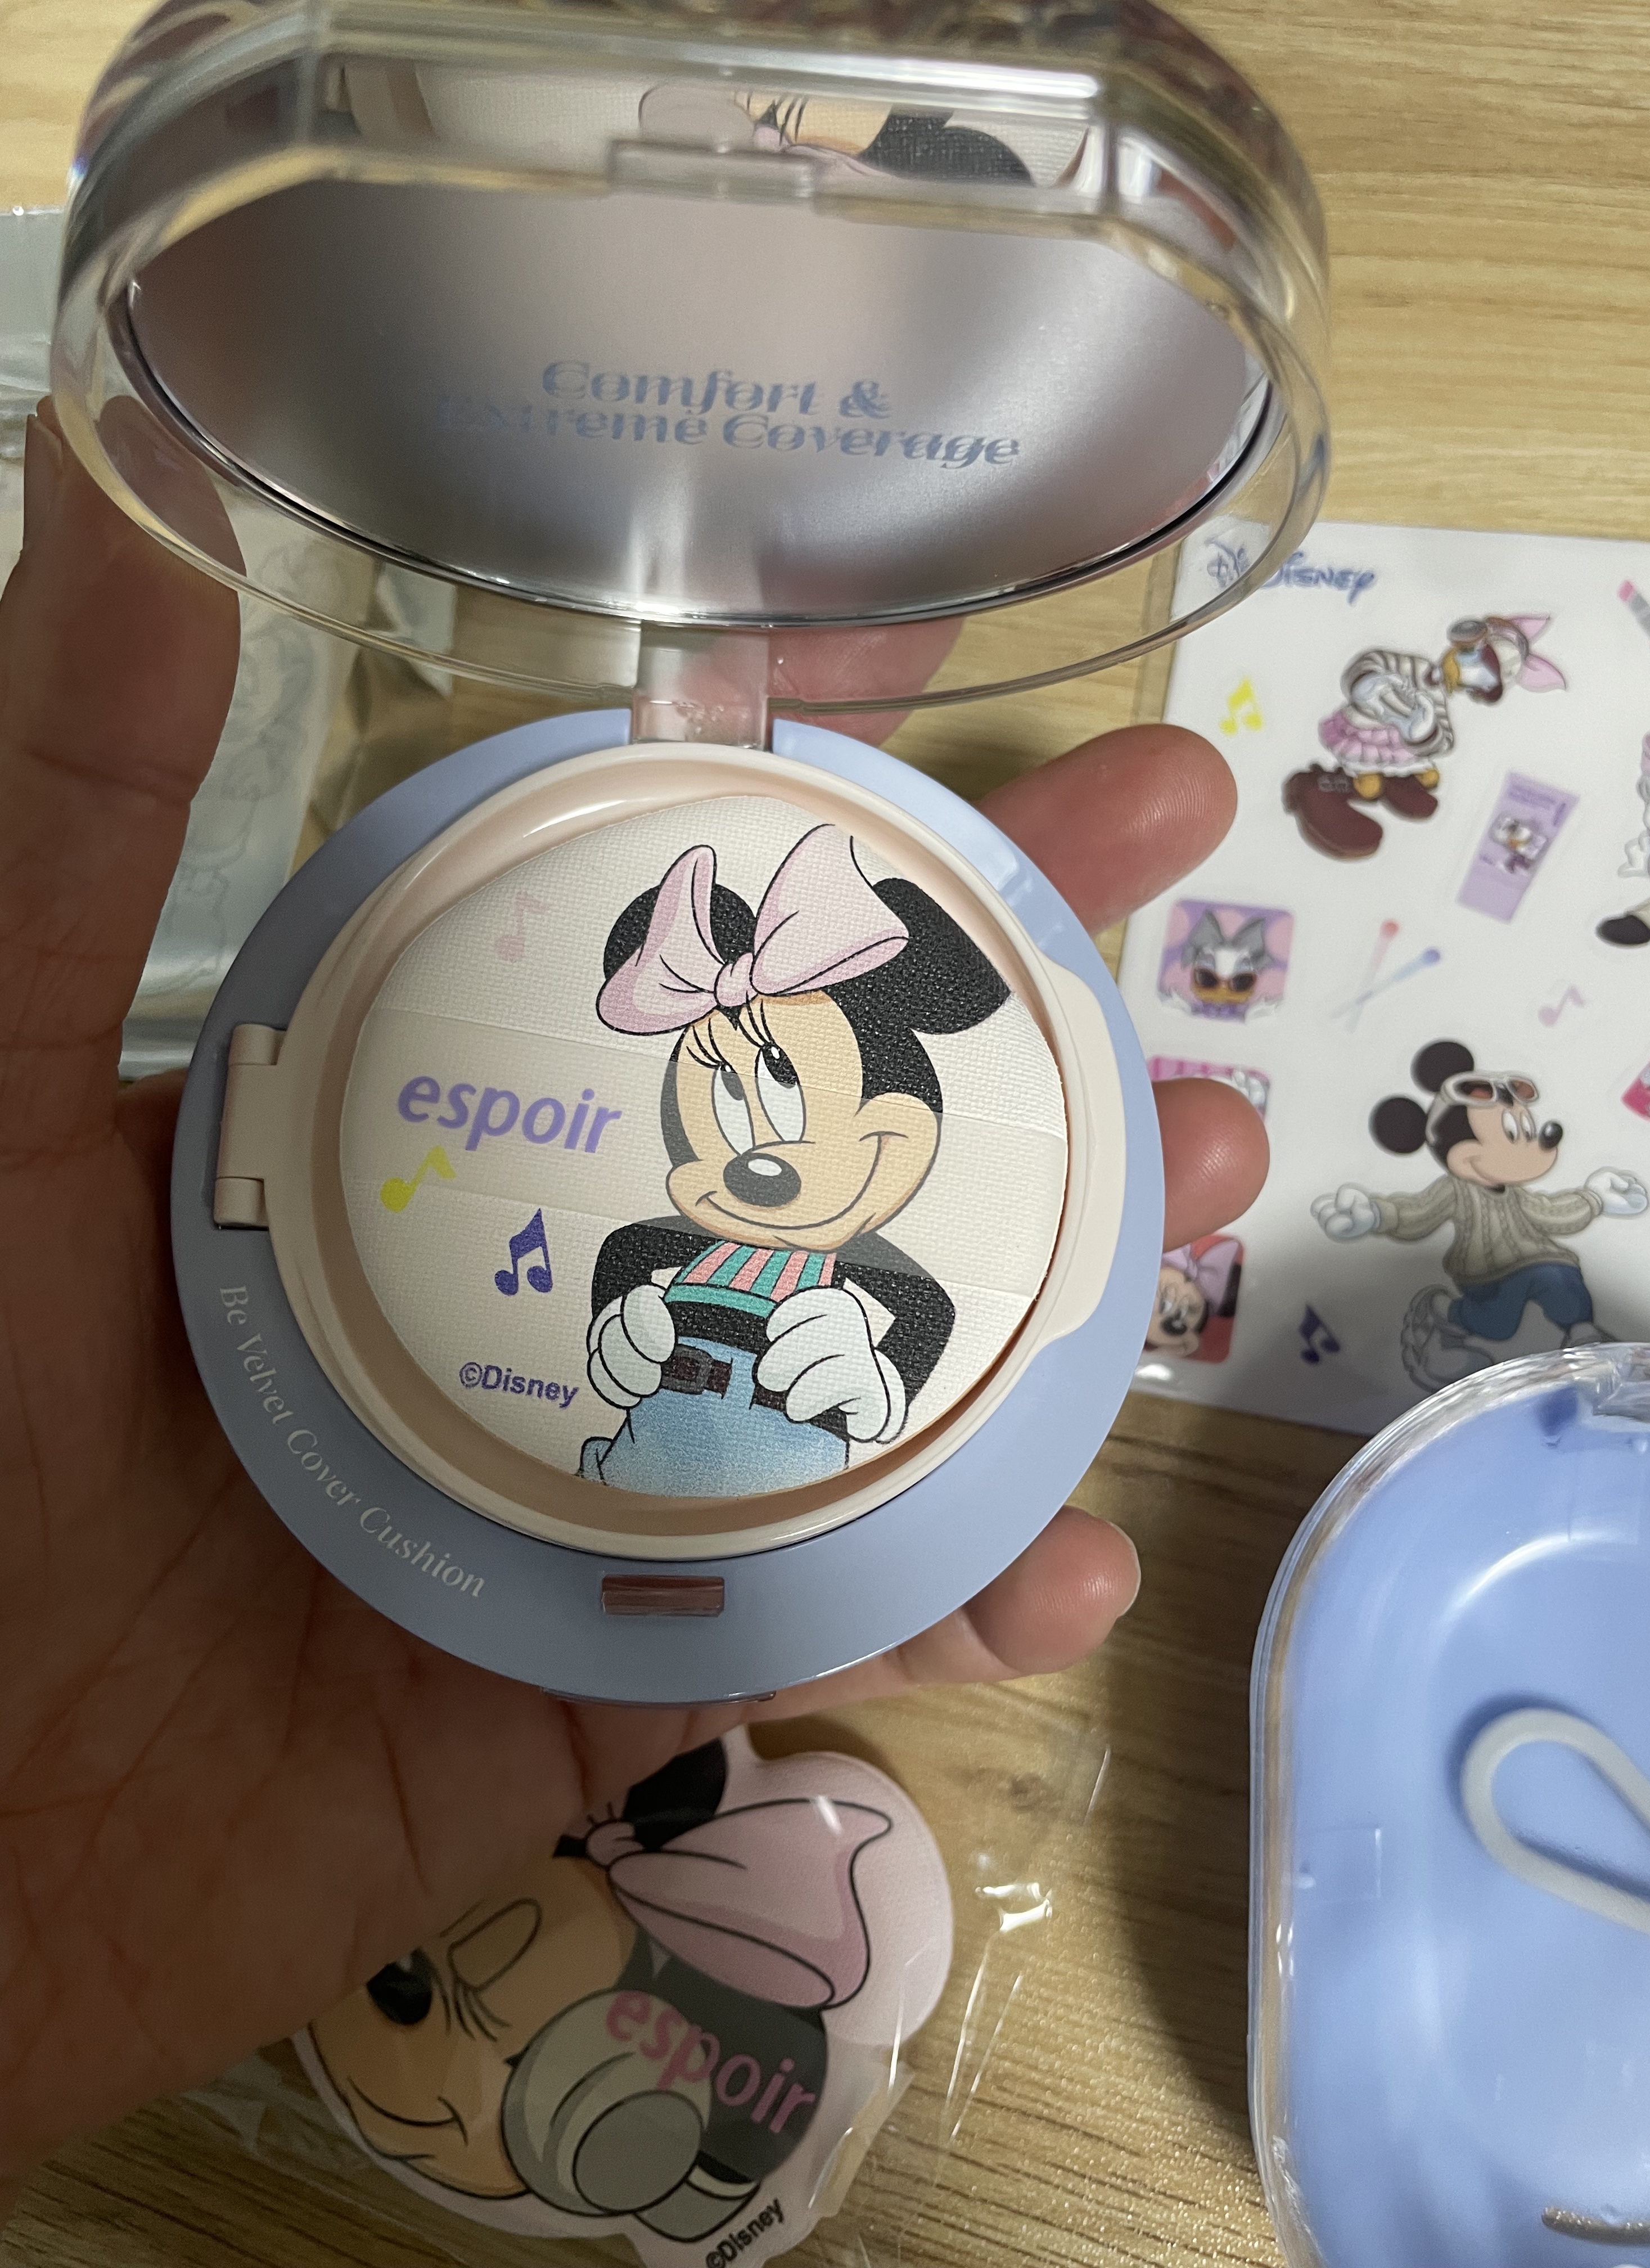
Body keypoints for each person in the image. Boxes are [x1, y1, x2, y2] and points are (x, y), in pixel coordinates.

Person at [0, 404, 1265, 2220]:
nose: (734, 1137)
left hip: (692, 1535)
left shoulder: (902, 1300)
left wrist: (862, 1379)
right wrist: (609, 1356)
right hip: (521, 1508)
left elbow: (905, 1373)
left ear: (901, 1149)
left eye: (783, 1097)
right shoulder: (636, 1261)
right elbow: (587, 1379)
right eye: (705, 1095)